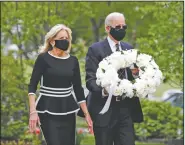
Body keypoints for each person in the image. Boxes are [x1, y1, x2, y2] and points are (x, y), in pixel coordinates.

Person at [28, 24, 93, 145]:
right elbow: (32, 86)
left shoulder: (73, 61)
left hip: (67, 110)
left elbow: (78, 89)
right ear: (52, 41)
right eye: (62, 38)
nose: (65, 41)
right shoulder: (43, 58)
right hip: (46, 109)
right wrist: (33, 111)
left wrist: (87, 114)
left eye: (67, 38)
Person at [85, 12, 143, 145]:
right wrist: (107, 90)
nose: (121, 30)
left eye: (124, 26)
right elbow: (90, 80)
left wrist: (136, 74)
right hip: (104, 109)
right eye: (118, 27)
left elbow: (133, 76)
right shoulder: (95, 50)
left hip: (125, 109)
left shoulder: (129, 48)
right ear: (107, 28)